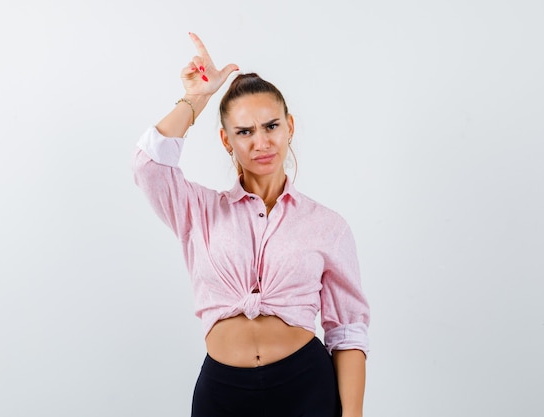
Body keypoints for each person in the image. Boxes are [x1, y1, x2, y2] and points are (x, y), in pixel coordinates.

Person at [132, 32, 370, 417]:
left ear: (289, 126)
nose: (261, 142)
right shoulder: (198, 210)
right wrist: (196, 100)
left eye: (270, 126)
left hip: (306, 387)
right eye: (245, 132)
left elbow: (347, 332)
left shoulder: (328, 226)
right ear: (227, 141)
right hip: (223, 395)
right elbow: (148, 166)